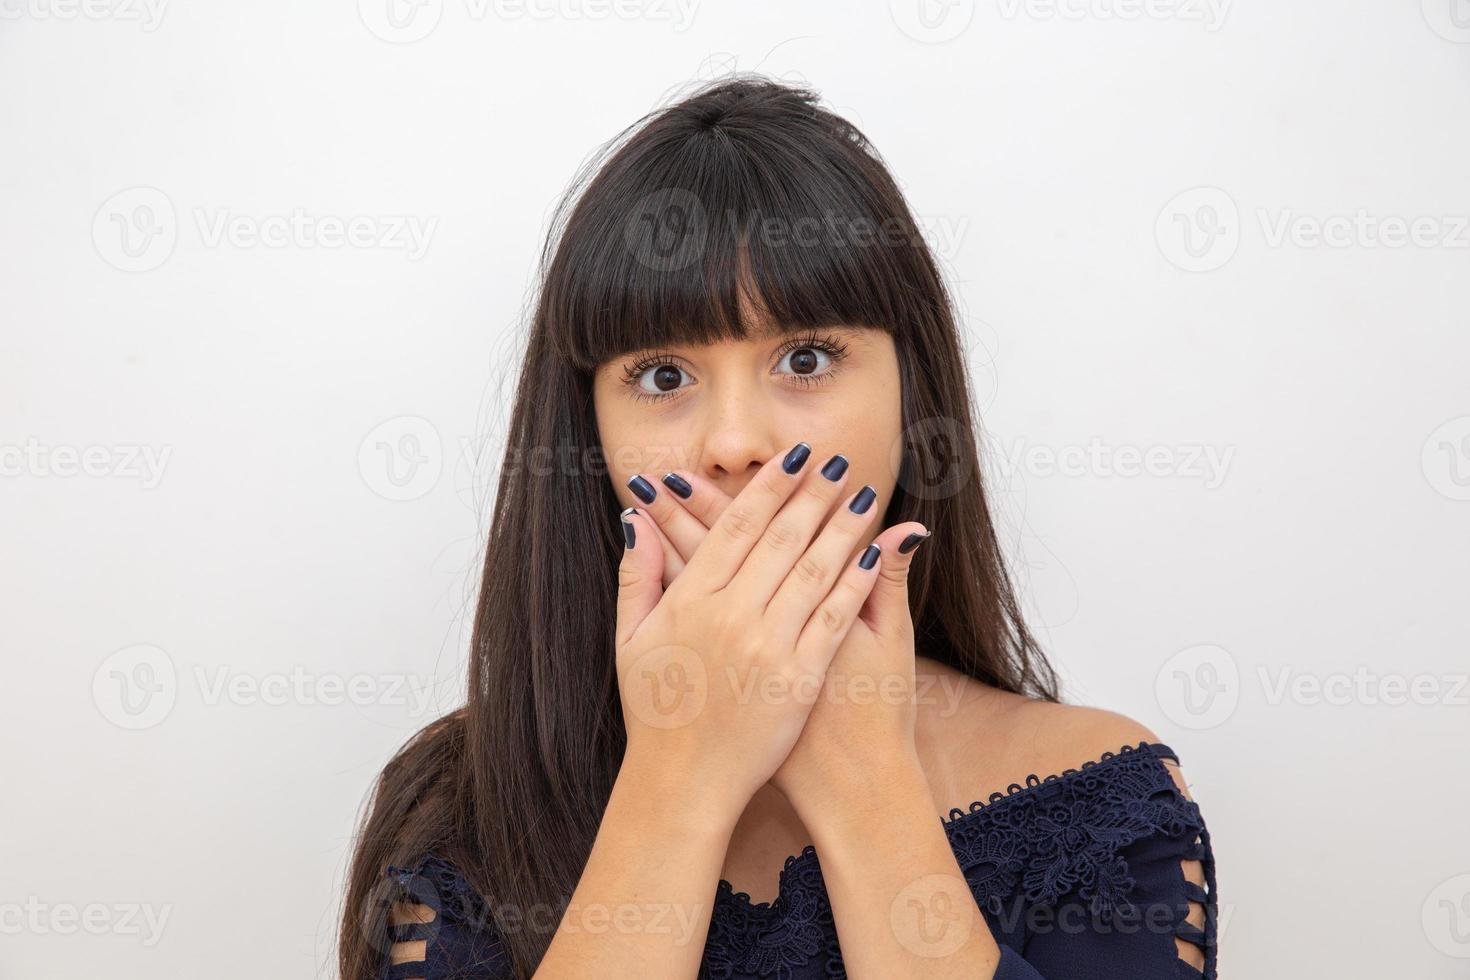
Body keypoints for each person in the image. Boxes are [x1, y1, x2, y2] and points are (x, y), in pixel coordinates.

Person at [338, 74, 1217, 980]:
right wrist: (682, 772)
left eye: (805, 359)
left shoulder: (1100, 796)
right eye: (663, 377)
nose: (733, 444)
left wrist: (862, 780)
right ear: (587, 428)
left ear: (910, 391)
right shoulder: (466, 809)